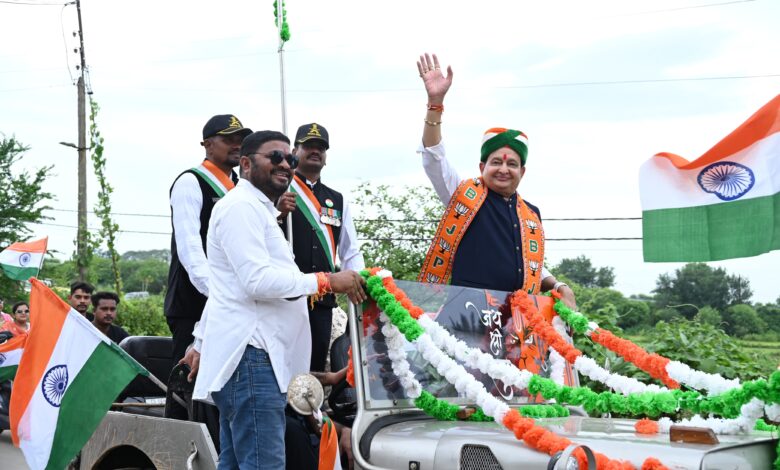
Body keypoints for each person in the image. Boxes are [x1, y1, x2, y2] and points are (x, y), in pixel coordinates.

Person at [192, 130, 367, 470]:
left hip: (254, 359)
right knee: (263, 465)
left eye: (290, 158)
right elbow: (257, 281)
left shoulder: (257, 209)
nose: (286, 164)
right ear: (245, 164)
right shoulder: (241, 208)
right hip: (252, 358)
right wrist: (328, 280)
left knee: (236, 463)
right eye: (275, 157)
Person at [415, 53, 576, 308]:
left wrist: (558, 285)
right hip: (468, 316)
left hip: (515, 321)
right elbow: (434, 157)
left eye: (512, 164)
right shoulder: (464, 196)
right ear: (482, 167)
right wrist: (435, 103)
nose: (504, 169)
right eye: (496, 162)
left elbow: (532, 265)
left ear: (522, 172)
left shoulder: (530, 215)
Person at [277, 123, 365, 372]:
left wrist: (357, 281)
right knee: (284, 364)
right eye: (308, 146)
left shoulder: (337, 199)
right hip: (287, 294)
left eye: (321, 148)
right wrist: (277, 210)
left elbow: (351, 251)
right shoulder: (280, 190)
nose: (315, 151)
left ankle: (309, 410)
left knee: (314, 366)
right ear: (295, 150)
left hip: (322, 300)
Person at [165, 114, 252, 366]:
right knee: (188, 387)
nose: (237, 145)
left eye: (241, 140)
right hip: (195, 301)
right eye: (229, 139)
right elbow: (190, 248)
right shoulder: (190, 182)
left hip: (235, 302)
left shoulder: (243, 187)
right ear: (207, 144)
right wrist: (216, 292)